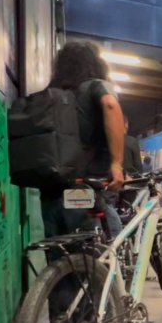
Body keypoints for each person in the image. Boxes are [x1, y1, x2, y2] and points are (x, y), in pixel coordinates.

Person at [41, 41, 124, 239]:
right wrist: (117, 164)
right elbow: (110, 104)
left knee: (62, 259)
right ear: (95, 65)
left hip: (50, 192)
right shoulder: (96, 86)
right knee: (110, 250)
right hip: (84, 189)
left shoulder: (49, 94)